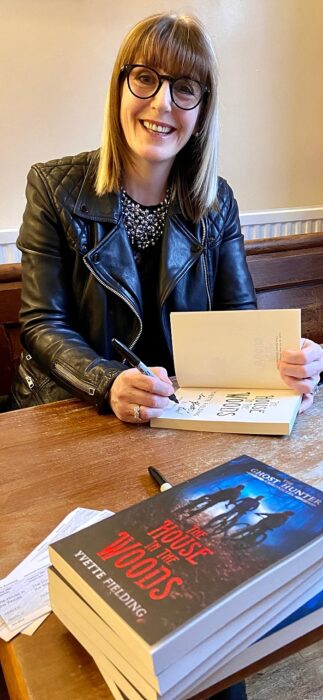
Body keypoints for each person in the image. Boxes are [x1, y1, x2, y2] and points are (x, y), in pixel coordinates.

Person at [10, 12, 321, 699]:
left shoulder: (215, 202)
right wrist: (107, 381)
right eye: (145, 79)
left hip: (181, 428)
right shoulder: (55, 187)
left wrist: (289, 357)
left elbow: (240, 321)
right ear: (119, 86)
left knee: (198, 627)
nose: (161, 105)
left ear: (202, 108)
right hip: (76, 423)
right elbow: (41, 322)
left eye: (186, 89)